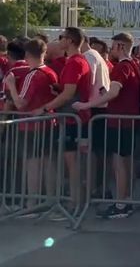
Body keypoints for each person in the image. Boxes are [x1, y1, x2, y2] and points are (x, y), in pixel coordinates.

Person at [74, 33, 140, 219]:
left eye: (113, 46)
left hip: (120, 120)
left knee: (119, 162)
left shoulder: (123, 67)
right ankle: (126, 200)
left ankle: (121, 204)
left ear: (120, 46)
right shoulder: (134, 65)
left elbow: (114, 92)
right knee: (126, 161)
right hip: (128, 120)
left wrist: (87, 105)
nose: (111, 49)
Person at [35, 27, 92, 214]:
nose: (59, 40)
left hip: (72, 119)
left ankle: (75, 204)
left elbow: (68, 94)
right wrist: (58, 89)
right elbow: (68, 89)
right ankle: (74, 202)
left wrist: (44, 107)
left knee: (72, 162)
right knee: (71, 162)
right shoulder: (75, 61)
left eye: (61, 37)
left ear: (70, 41)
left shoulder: (75, 62)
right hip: (71, 117)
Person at [3, 39, 58, 216]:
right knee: (48, 163)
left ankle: (32, 203)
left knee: (32, 164)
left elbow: (21, 103)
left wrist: (11, 84)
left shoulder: (32, 75)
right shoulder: (50, 72)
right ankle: (49, 200)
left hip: (31, 127)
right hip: (49, 123)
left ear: (27, 55)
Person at [81, 35, 112, 120]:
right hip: (99, 103)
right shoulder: (95, 55)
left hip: (94, 105)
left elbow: (90, 81)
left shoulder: (89, 56)